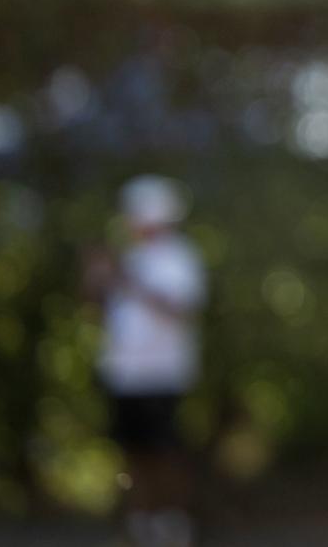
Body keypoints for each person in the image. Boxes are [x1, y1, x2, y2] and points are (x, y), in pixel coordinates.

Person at [85, 176, 207, 547]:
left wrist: (130, 281)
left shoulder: (180, 257)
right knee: (133, 451)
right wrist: (94, 277)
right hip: (125, 374)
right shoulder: (131, 258)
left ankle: (173, 524)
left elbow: (182, 308)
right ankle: (141, 524)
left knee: (164, 451)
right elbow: (98, 311)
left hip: (162, 374)